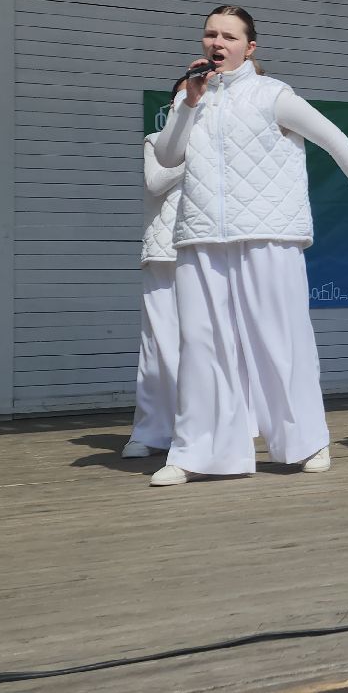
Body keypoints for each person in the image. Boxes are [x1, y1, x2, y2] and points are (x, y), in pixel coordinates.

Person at [150, 5, 348, 487]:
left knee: (279, 339)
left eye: (229, 36)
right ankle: (199, 451)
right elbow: (169, 155)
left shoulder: (272, 94)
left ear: (249, 47)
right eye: (210, 35)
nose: (217, 43)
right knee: (201, 345)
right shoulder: (189, 99)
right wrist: (189, 104)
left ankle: (306, 441)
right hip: (200, 234)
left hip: (268, 234)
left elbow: (333, 137)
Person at [125, 133, 185, 460]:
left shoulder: (222, 139)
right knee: (158, 345)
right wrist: (194, 159)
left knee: (212, 344)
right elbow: (155, 182)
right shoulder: (156, 141)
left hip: (212, 253)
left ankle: (206, 429)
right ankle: (151, 431)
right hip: (165, 254)